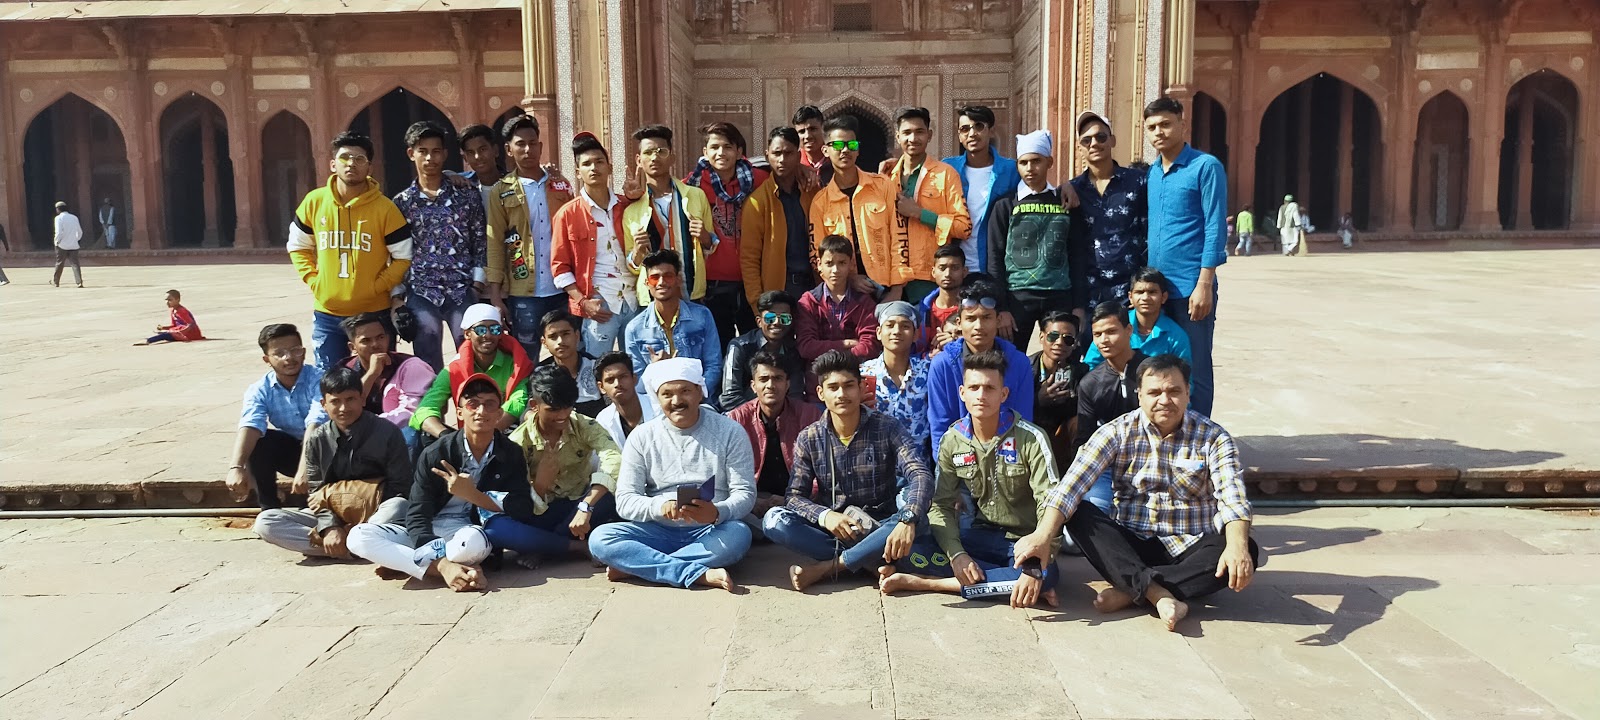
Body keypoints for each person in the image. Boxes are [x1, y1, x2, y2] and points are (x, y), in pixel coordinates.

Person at [1013, 355, 1259, 631]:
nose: (1165, 400)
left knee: (1245, 546)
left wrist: (1237, 547)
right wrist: (1042, 536)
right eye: (1154, 393)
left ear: (1188, 393)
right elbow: (1071, 486)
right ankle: (1158, 593)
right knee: (1079, 513)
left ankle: (1131, 591)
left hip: (1189, 546)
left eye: (1174, 391)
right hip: (1131, 546)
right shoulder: (1116, 432)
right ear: (1139, 394)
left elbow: (1233, 497)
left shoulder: (1214, 437)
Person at [877, 350, 1061, 606]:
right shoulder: (953, 440)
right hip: (979, 536)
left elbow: (1051, 501)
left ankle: (929, 582)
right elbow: (940, 505)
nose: (981, 395)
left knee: (1046, 575)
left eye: (989, 388)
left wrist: (1037, 550)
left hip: (1024, 542)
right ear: (962, 393)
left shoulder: (1031, 438)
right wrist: (957, 555)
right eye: (974, 388)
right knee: (912, 551)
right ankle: (1010, 583)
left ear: (1003, 394)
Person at [347, 374, 537, 591]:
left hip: (466, 532)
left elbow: (523, 508)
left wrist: (471, 494)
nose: (481, 411)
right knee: (358, 537)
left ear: (499, 413)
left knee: (473, 542)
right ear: (460, 412)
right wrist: (440, 563)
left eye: (489, 404)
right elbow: (418, 514)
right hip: (430, 528)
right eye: (473, 404)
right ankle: (449, 569)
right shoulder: (436, 453)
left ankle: (410, 563)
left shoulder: (510, 453)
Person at [764, 350, 934, 591]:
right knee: (774, 521)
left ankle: (832, 567)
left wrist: (907, 519)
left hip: (883, 524)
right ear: (821, 393)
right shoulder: (809, 438)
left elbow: (920, 473)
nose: (841, 394)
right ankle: (872, 561)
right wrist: (826, 516)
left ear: (862, 387)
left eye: (849, 385)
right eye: (833, 387)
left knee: (916, 513)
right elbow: (794, 497)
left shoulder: (887, 427)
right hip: (836, 530)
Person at [587, 357, 755, 591]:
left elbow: (745, 493)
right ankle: (696, 573)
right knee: (600, 539)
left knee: (739, 535)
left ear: (699, 392)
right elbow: (625, 500)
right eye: (667, 394)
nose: (677, 401)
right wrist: (659, 506)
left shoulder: (730, 432)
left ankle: (639, 566)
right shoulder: (641, 436)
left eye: (685, 391)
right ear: (657, 398)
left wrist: (718, 512)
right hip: (657, 529)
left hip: (711, 530)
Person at [252, 367, 411, 558]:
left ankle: (355, 543)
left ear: (362, 399)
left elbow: (400, 486)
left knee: (398, 506)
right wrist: (330, 527)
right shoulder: (317, 439)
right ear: (324, 404)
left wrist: (353, 506)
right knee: (266, 522)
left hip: (376, 513)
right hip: (334, 513)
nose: (343, 408)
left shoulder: (388, 432)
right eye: (335, 401)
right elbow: (316, 492)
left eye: (350, 399)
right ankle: (354, 548)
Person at [287, 131, 411, 368]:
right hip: (328, 314)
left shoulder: (385, 209)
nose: (351, 163)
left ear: (369, 168)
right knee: (330, 379)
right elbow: (298, 246)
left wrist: (376, 287)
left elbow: (403, 257)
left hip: (373, 314)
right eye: (345, 157)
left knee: (380, 377)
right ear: (333, 164)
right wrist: (314, 280)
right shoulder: (314, 202)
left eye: (359, 159)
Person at [1143, 96, 1226, 418]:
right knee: (1162, 364)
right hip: (1158, 289)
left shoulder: (1205, 167)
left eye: (1166, 124)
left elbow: (1215, 226)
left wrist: (1205, 283)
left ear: (1182, 124)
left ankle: (1200, 432)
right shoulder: (1153, 173)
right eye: (1152, 127)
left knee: (1195, 365)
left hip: (1191, 285)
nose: (1159, 132)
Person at [494, 366, 623, 564]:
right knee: (502, 525)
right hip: (541, 511)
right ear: (534, 405)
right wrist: (540, 484)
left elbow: (614, 458)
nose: (563, 415)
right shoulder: (517, 442)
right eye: (553, 409)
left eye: (568, 406)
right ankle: (569, 545)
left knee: (615, 496)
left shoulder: (584, 425)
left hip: (582, 504)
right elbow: (515, 501)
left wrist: (586, 506)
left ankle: (546, 547)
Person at [390, 122, 488, 371]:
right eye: (423, 151)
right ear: (411, 154)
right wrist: (397, 295)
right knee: (427, 360)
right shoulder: (402, 202)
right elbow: (395, 252)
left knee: (470, 356)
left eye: (436, 151)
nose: (429, 158)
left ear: (444, 154)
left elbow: (480, 240)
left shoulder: (466, 195)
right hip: (421, 290)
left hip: (462, 288)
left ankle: (471, 397)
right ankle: (433, 399)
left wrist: (477, 285)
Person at [485, 114, 575, 359]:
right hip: (524, 290)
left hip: (562, 287)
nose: (528, 150)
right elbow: (495, 242)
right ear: (509, 149)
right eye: (521, 144)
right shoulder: (501, 191)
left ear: (541, 146)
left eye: (533, 143)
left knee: (567, 354)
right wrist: (496, 295)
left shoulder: (559, 185)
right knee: (526, 357)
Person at [986, 129, 1090, 339]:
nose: (1030, 168)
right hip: (1018, 297)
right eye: (1023, 163)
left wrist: (1078, 305)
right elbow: (995, 257)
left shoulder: (1065, 202)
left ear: (1049, 162)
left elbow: (1077, 255)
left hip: (1059, 295)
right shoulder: (1005, 205)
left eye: (1036, 161)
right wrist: (1001, 307)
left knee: (1061, 352)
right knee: (1010, 355)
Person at [552, 132, 641, 358]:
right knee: (596, 366)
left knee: (637, 366)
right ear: (578, 172)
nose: (594, 168)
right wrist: (583, 302)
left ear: (609, 167)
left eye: (599, 162)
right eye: (586, 164)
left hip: (634, 299)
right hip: (598, 303)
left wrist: (638, 197)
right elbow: (560, 268)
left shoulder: (627, 205)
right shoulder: (567, 214)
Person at [925, 278, 1034, 456]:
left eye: (986, 317)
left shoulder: (1019, 363)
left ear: (998, 320)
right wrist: (948, 468)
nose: (978, 326)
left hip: (1009, 459)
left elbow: (1024, 424)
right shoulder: (942, 365)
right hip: (958, 460)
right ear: (959, 323)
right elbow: (940, 427)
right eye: (970, 318)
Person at [225, 324, 329, 509]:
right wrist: (236, 467)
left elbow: (316, 423)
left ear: (304, 352)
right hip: (294, 451)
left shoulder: (320, 380)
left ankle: (311, 504)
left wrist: (304, 469)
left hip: (328, 451)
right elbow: (250, 425)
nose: (289, 358)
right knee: (261, 441)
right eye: (279, 353)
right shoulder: (259, 389)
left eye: (295, 350)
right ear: (267, 359)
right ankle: (269, 508)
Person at [809, 115, 909, 301]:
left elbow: (900, 238)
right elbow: (817, 255)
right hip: (844, 294)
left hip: (885, 290)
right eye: (838, 145)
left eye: (852, 145)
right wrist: (850, 278)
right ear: (825, 150)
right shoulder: (820, 202)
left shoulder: (882, 186)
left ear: (858, 150)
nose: (845, 150)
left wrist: (896, 290)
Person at [684, 122, 768, 346]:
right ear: (705, 152)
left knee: (756, 347)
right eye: (714, 147)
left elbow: (787, 176)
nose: (721, 153)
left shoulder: (759, 180)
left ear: (739, 152)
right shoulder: (692, 186)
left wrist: (803, 170)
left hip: (752, 281)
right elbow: (663, 195)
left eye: (728, 147)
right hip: (714, 285)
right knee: (719, 347)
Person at [726, 351, 823, 536]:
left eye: (777, 378)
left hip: (798, 498)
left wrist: (792, 499)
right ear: (753, 386)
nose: (770, 385)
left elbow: (822, 471)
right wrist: (749, 500)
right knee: (739, 526)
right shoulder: (736, 418)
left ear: (787, 384)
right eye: (764, 379)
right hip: (754, 500)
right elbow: (726, 474)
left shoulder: (810, 415)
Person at [622, 124, 718, 309]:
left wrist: (705, 237)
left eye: (661, 151)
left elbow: (710, 246)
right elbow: (632, 266)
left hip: (690, 293)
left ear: (672, 157)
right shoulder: (632, 211)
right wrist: (637, 251)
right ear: (639, 160)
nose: (654, 157)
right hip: (652, 301)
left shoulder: (695, 196)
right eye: (648, 152)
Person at [884, 106, 971, 304]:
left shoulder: (945, 174)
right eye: (907, 132)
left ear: (929, 135)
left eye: (919, 132)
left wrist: (920, 213)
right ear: (897, 136)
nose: (913, 138)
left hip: (928, 277)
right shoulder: (887, 176)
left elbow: (964, 227)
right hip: (891, 278)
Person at [411, 303, 535, 440]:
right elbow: (425, 409)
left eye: (494, 329)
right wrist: (448, 438)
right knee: (424, 436)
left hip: (506, 432)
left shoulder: (516, 364)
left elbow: (518, 402)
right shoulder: (454, 370)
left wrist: (485, 433)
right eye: (480, 330)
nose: (488, 335)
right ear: (467, 334)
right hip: (468, 436)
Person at [1068, 111, 1149, 309]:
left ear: (1112, 140)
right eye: (1086, 140)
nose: (1094, 144)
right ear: (1079, 148)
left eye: (1101, 137)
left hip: (1130, 292)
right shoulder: (1073, 190)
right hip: (1089, 293)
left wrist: (1144, 285)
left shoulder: (1137, 182)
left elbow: (1149, 233)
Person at [623, 249, 722, 403]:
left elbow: (714, 366)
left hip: (700, 402)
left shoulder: (702, 316)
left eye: (668, 276)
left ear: (678, 280)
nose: (661, 282)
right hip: (657, 406)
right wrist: (654, 370)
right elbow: (636, 384)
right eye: (655, 278)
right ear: (647, 283)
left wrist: (697, 395)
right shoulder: (635, 329)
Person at [334, 312, 436, 449]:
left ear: (388, 339)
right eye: (366, 341)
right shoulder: (345, 370)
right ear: (353, 347)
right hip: (358, 437)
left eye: (380, 337)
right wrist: (372, 374)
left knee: (409, 435)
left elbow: (412, 413)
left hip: (401, 436)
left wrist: (368, 427)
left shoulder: (411, 366)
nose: (375, 344)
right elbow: (343, 409)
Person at [742, 126, 820, 302]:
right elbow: (749, 259)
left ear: (798, 156)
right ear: (767, 155)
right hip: (779, 291)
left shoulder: (812, 192)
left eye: (788, 153)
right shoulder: (757, 202)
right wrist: (757, 303)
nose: (782, 160)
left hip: (814, 287)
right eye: (776, 153)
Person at [942, 105, 1021, 274]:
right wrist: (897, 164)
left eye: (978, 126)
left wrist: (1066, 188)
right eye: (965, 129)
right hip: (955, 270)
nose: (972, 133)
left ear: (991, 131)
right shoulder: (948, 168)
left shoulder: (1011, 170)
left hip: (996, 267)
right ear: (959, 135)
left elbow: (1036, 191)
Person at [795, 234, 881, 366]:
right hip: (819, 372)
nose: (835, 270)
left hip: (854, 371)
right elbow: (806, 347)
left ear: (851, 264)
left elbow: (870, 346)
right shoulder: (808, 302)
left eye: (842, 263)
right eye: (829, 263)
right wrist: (845, 344)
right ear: (819, 264)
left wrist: (836, 357)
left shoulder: (864, 302)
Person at [1081, 267, 1192, 368]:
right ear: (1130, 297)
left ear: (1163, 297)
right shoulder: (1114, 324)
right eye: (1140, 292)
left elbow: (1185, 378)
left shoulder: (1176, 336)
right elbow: (1090, 366)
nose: (1145, 298)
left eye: (1152, 292)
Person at [859, 301, 932, 454]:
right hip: (875, 462)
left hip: (917, 464)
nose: (897, 331)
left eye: (905, 326)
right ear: (879, 332)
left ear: (916, 334)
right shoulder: (863, 373)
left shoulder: (927, 371)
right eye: (890, 325)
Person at [720, 290, 804, 410]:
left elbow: (796, 396)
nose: (777, 322)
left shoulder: (793, 350)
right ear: (759, 322)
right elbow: (730, 397)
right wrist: (758, 416)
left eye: (785, 318)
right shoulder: (739, 346)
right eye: (770, 318)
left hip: (783, 415)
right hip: (742, 414)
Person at [1031, 310, 1087, 465]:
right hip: (1030, 434)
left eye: (1068, 339)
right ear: (1041, 337)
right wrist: (1038, 400)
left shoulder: (1081, 372)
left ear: (1075, 343)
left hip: (1064, 438)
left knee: (1079, 422)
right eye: (1053, 336)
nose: (1060, 343)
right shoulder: (1024, 369)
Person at [536, 310, 605, 417]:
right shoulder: (540, 373)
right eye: (553, 337)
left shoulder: (596, 366)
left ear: (577, 336)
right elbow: (530, 409)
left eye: (566, 334)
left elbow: (613, 403)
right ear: (544, 342)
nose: (560, 341)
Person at [593, 352, 657, 449]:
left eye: (623, 377)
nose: (617, 384)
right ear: (601, 387)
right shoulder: (603, 420)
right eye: (610, 380)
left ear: (634, 379)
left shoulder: (658, 407)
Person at [918, 244, 967, 352]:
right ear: (933, 272)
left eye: (955, 268)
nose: (948, 274)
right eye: (942, 268)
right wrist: (928, 357)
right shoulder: (920, 311)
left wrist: (956, 343)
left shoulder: (972, 310)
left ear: (964, 272)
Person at [135, 289, 204, 345]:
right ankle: (149, 339)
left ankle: (148, 341)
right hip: (180, 331)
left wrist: (180, 332)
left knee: (165, 335)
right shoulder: (173, 310)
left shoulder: (181, 311)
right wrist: (163, 328)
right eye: (166, 300)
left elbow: (191, 324)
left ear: (178, 300)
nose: (167, 302)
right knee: (164, 333)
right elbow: (174, 325)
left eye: (170, 300)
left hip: (190, 335)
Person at [458, 123, 503, 207]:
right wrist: (449, 173)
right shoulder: (463, 185)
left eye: (482, 149)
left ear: (495, 150)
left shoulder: (514, 183)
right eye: (471, 152)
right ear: (465, 158)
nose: (477, 157)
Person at [791, 105, 833, 187]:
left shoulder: (837, 160)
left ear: (824, 129)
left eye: (813, 129)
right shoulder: (793, 166)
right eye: (802, 131)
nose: (807, 136)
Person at [51, 201, 84, 288]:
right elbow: (79, 231)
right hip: (73, 245)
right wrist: (76, 239)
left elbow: (59, 232)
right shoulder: (74, 217)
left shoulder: (58, 218)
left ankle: (56, 282)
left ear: (58, 209)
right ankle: (79, 282)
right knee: (75, 264)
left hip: (62, 245)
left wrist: (56, 241)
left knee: (59, 263)